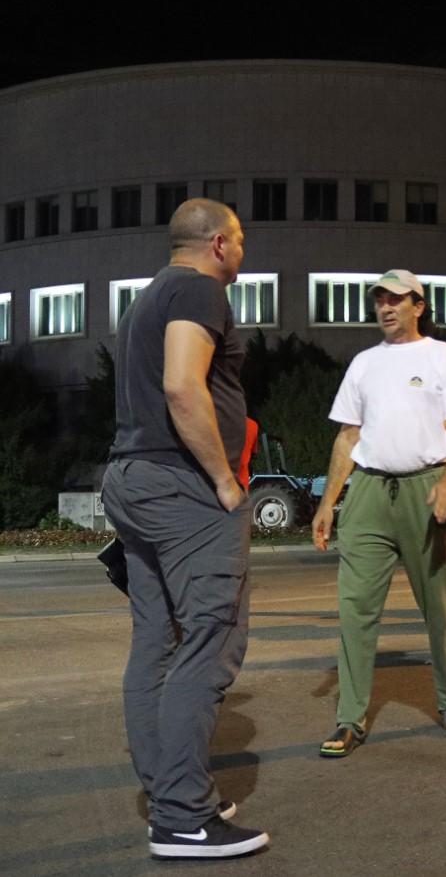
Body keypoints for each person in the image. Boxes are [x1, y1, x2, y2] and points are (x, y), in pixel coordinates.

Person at [101, 198, 270, 858]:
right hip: (184, 488)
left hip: (132, 478)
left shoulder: (144, 299)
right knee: (211, 640)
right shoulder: (200, 290)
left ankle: (172, 789)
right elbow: (181, 385)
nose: (243, 250)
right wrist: (225, 479)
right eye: (242, 238)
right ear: (220, 244)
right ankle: (181, 817)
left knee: (158, 642)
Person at [312, 269, 446, 757]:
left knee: (440, 605)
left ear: (419, 306)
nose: (386, 307)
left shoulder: (441, 357)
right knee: (355, 609)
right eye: (380, 300)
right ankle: (349, 718)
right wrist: (329, 502)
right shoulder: (364, 364)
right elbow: (348, 436)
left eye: (397, 299)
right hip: (368, 493)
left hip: (425, 490)